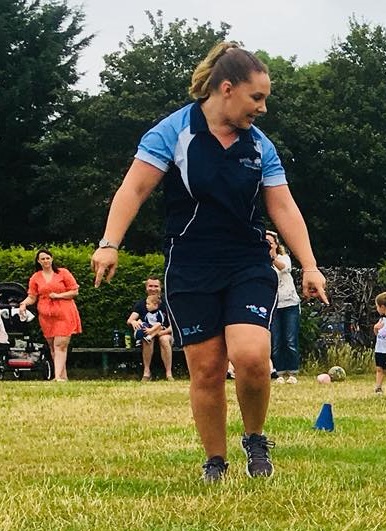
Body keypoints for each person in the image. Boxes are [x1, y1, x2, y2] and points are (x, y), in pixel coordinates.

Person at [91, 42, 328, 483]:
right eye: (257, 97)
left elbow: (284, 208)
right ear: (227, 88)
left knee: (253, 357)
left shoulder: (260, 146)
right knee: (207, 368)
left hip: (246, 261)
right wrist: (110, 242)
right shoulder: (173, 131)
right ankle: (215, 461)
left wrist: (309, 265)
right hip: (191, 265)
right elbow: (134, 190)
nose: (262, 108)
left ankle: (255, 439)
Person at [18, 249, 82, 382]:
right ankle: (63, 376)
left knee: (60, 345)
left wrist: (58, 295)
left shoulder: (63, 273)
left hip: (64, 312)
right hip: (46, 316)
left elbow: (74, 291)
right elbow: (32, 297)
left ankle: (57, 376)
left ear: (52, 259)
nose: (46, 261)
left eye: (47, 258)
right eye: (43, 259)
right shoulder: (36, 277)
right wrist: (23, 304)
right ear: (38, 261)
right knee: (53, 346)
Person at [266, 230, 301, 384]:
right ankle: (279, 373)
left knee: (290, 339)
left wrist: (272, 256)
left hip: (289, 304)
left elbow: (284, 268)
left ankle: (292, 372)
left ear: (276, 244)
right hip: (273, 306)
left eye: (269, 243)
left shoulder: (283, 258)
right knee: (276, 341)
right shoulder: (261, 262)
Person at [126, 277, 174, 382]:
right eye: (150, 286)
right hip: (149, 333)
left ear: (160, 288)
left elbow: (174, 324)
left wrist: (161, 332)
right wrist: (134, 322)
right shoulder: (141, 304)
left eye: (156, 286)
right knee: (147, 339)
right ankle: (146, 372)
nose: (153, 289)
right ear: (146, 288)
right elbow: (130, 320)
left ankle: (169, 373)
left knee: (164, 339)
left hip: (165, 332)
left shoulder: (168, 303)